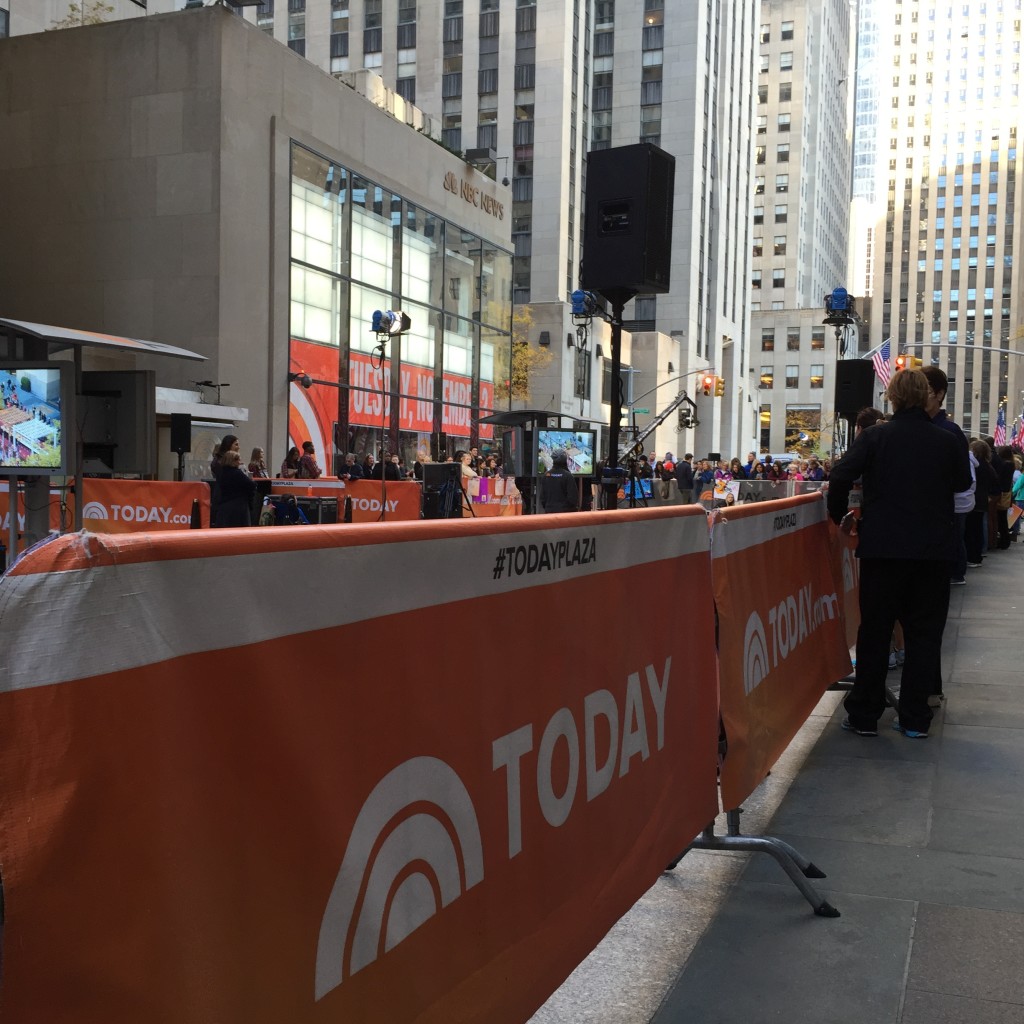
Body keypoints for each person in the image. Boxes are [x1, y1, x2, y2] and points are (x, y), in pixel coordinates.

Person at [827, 369, 971, 739]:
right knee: (924, 634)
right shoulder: (947, 440)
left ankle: (864, 715)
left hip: (884, 550)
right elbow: (961, 484)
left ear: (891, 397)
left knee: (875, 631)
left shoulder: (876, 437)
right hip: (933, 552)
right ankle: (914, 718)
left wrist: (838, 515)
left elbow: (841, 475)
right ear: (927, 396)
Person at [215, 449, 256, 527]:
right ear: (232, 461)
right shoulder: (237, 473)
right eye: (237, 460)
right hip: (238, 506)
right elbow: (251, 485)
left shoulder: (221, 473)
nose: (239, 462)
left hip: (224, 506)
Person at [540, 449, 580, 513]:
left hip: (549, 512)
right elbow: (573, 498)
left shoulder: (546, 475)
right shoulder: (568, 476)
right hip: (565, 514)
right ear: (565, 460)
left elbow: (542, 498)